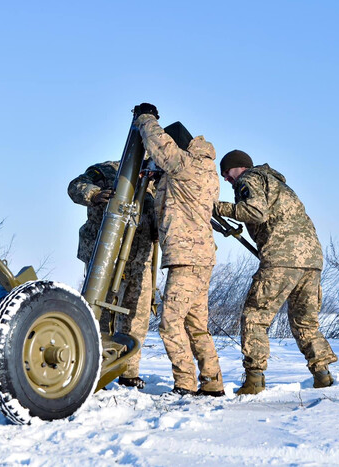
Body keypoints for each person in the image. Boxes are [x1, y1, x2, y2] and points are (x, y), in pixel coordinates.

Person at [215, 149, 337, 395]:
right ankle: (323, 376)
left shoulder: (249, 180)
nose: (226, 179)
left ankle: (254, 379)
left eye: (226, 173)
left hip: (282, 258)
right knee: (305, 322)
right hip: (311, 260)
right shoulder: (277, 183)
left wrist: (217, 207)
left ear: (237, 167)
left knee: (255, 316)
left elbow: (255, 212)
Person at [132, 103, 225, 397]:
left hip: (186, 258)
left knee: (170, 323)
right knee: (197, 325)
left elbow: (159, 144)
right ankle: (212, 384)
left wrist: (145, 118)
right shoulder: (205, 170)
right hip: (201, 258)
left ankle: (184, 384)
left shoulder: (186, 165)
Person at [67, 161, 158, 389]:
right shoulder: (108, 170)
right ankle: (95, 370)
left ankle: (129, 372)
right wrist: (95, 194)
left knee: (137, 315)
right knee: (99, 312)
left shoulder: (158, 182)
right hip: (104, 255)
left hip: (139, 258)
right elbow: (75, 186)